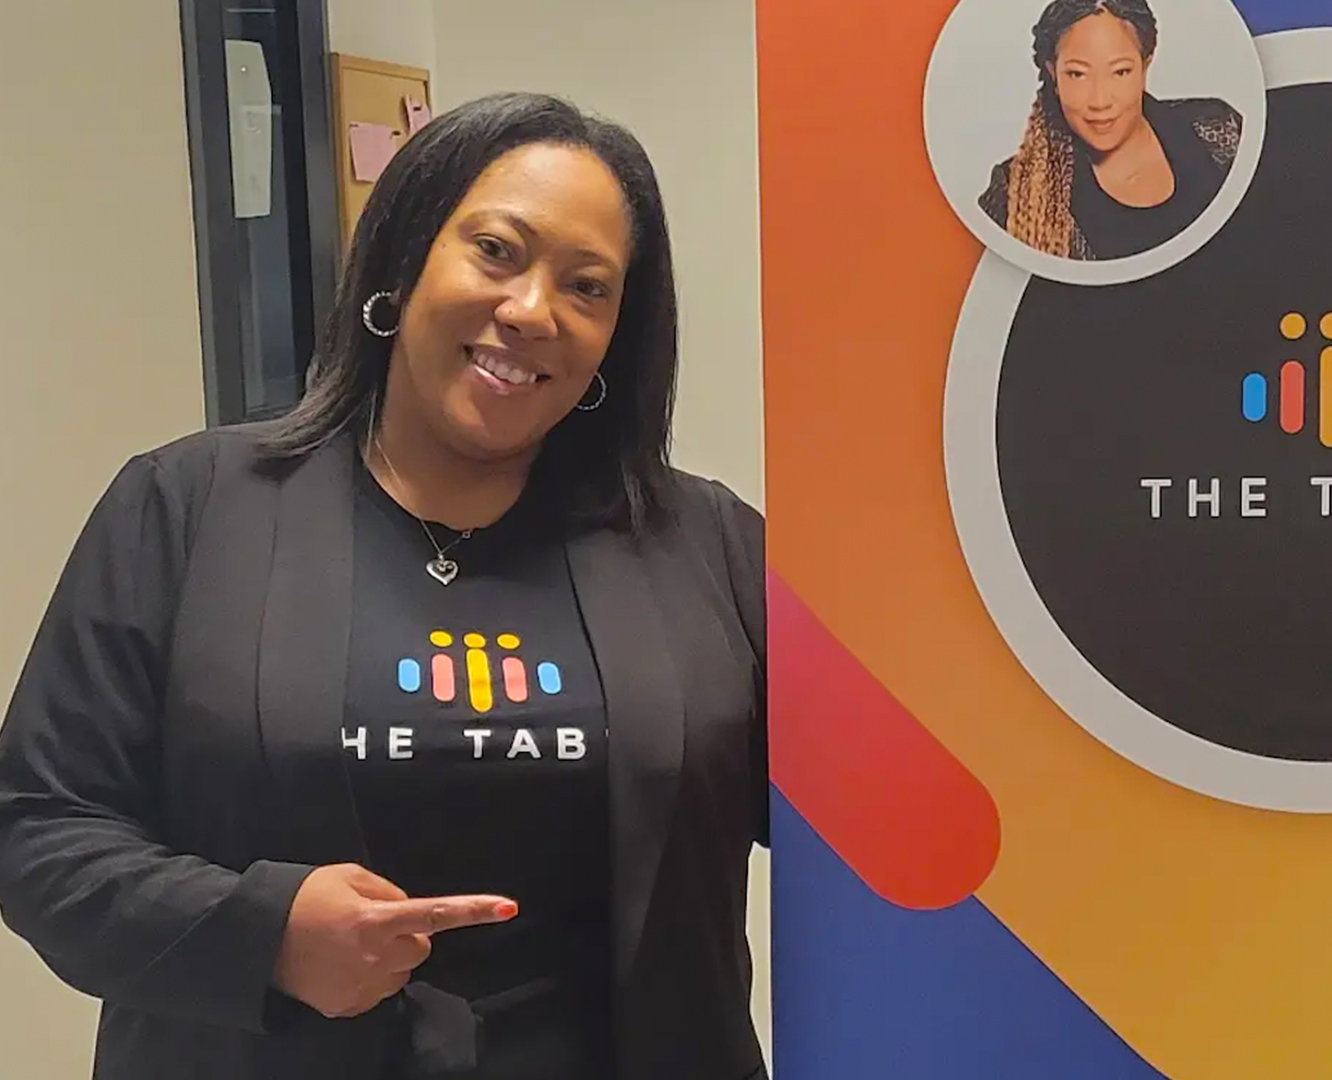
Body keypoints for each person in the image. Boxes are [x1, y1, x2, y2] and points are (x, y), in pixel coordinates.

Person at [0, 93, 767, 1080]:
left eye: (588, 288)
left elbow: (867, 817)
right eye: (496, 251)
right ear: (403, 261)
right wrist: (261, 934)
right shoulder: (189, 508)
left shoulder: (701, 542)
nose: (533, 311)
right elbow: (39, 827)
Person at [979, 0, 1243, 261]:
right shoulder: (1018, 191)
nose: (1100, 101)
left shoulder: (1217, 129)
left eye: (1120, 72)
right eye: (1077, 75)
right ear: (1053, 73)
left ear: (1145, 65)